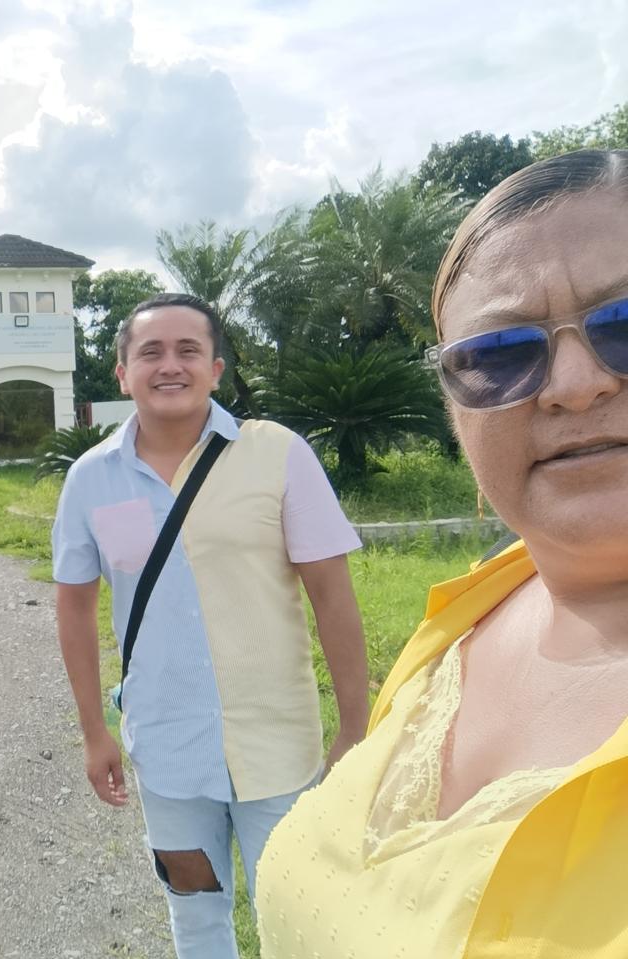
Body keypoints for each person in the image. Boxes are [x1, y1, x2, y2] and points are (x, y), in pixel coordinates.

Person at [256, 149, 628, 959]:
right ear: (455, 407)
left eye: (625, 323)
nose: (575, 382)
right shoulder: (467, 611)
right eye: (499, 354)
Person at [51, 293, 369, 959]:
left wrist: (355, 727)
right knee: (195, 915)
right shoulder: (92, 480)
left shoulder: (276, 454)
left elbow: (332, 596)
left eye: (188, 350)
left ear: (216, 369)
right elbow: (74, 608)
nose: (170, 365)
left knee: (299, 918)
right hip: (166, 751)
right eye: (151, 352)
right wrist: (93, 732)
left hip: (278, 749)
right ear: (123, 373)